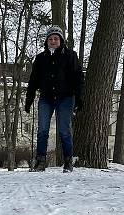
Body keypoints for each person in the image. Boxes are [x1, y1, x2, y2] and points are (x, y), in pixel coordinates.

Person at [24, 25, 85, 172]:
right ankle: (40, 161)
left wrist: (79, 98)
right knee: (42, 130)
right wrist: (29, 99)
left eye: (56, 38)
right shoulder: (40, 59)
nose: (53, 41)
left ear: (61, 40)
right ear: (46, 41)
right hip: (46, 98)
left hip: (65, 98)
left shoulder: (70, 55)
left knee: (64, 130)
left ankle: (68, 161)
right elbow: (33, 81)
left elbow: (78, 78)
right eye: (50, 39)